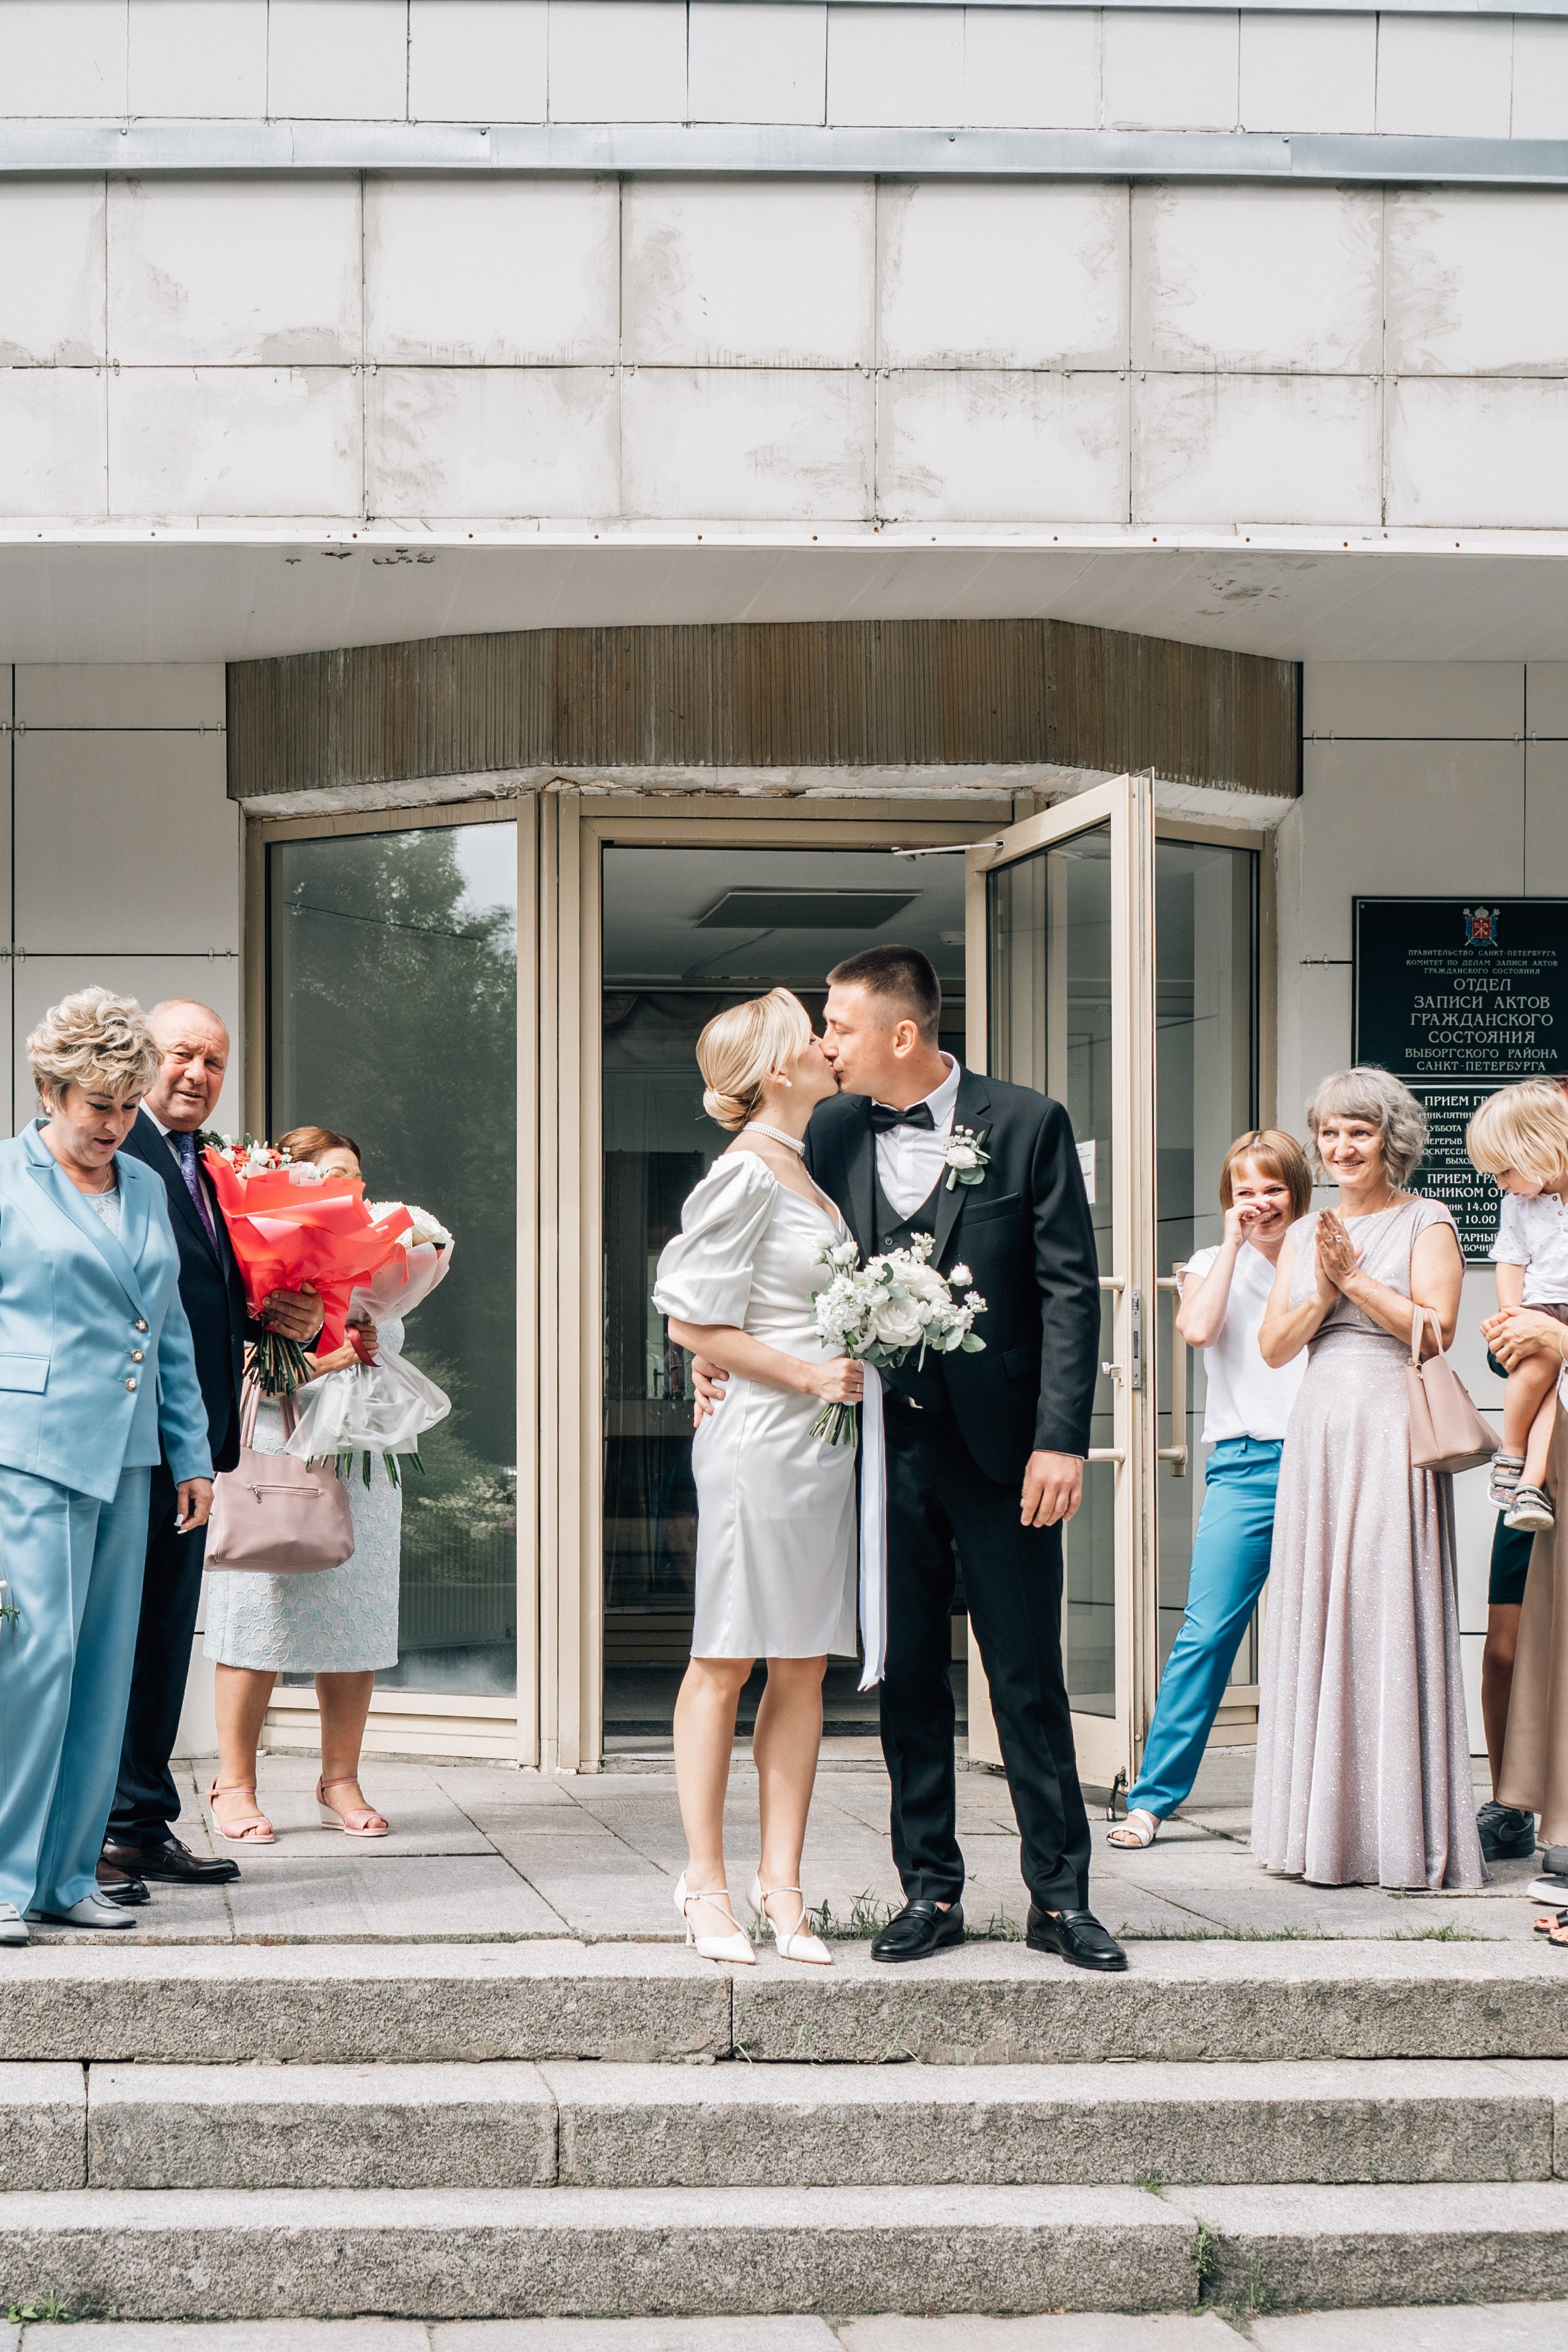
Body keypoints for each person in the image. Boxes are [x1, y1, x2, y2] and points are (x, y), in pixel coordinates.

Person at [705, 946, 1114, 1972]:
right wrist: (719, 1357)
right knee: (909, 1677)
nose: (825, 1043)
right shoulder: (829, 1129)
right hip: (874, 1450)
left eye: (838, 1026)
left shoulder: (1028, 1123)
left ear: (902, 1032)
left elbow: (1070, 1294)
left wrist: (1061, 1438)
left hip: (1005, 1453)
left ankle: (1061, 1900)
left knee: (1026, 1675)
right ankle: (929, 1891)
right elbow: (765, 1265)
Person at [0, 988, 214, 1947]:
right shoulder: (6, 1181)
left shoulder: (145, 1186)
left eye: (129, 1106)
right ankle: (4, 1877)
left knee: (101, 1673)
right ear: (50, 1090)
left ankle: (65, 1877)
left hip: (131, 1461)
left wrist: (191, 1454)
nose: (116, 1125)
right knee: (32, 1663)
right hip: (30, 1453)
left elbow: (167, 1332)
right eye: (98, 1105)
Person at [102, 1000, 325, 1902]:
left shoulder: (213, 1165)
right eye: (181, 1055)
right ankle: (98, 1830)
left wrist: (286, 1316)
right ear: (141, 1059)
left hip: (192, 1442)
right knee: (117, 1639)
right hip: (128, 1439)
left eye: (215, 1062)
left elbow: (213, 1290)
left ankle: (140, 1825)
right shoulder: (115, 1151)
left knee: (161, 1638)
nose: (197, 1073)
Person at [654, 992, 859, 1966]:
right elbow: (690, 1320)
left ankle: (785, 1887)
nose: (827, 1043)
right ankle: (705, 1883)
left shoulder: (805, 1168)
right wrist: (810, 1374)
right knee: (727, 1657)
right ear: (778, 1070)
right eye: (811, 1035)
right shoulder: (743, 1174)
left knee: (804, 1661)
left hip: (820, 1449)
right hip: (760, 1443)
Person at [1254, 1066, 1483, 1892]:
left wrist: (1353, 1281)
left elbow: (1437, 1330)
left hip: (1391, 1424)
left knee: (1385, 1605)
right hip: (1321, 1428)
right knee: (1320, 1609)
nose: (1342, 1146)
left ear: (1392, 1139)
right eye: (1329, 1132)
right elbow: (1274, 1347)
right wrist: (1323, 1287)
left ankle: (1396, 1837)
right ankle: (1320, 1835)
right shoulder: (1307, 1231)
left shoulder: (1428, 1219)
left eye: (1359, 1131)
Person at [1107, 1129, 1312, 1852]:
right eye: (1244, 1190)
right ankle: (1150, 1802)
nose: (1259, 1202)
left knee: (1332, 1634)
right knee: (1206, 1634)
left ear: (1297, 1190)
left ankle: (1333, 1808)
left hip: (1326, 1462)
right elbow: (1196, 1329)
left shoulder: (1325, 1253)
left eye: (1273, 1187)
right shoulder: (1207, 1262)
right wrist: (1230, 1244)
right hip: (1246, 1466)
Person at [202, 1127, 401, 1844]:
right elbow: (244, 1371)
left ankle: (339, 1781)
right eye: (330, 1177)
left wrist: (350, 1333)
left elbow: (384, 1349)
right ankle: (234, 1784)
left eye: (356, 1179)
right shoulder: (247, 1256)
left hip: (354, 1461)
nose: (349, 1192)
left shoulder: (378, 1258)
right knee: (256, 1619)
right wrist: (330, 1350)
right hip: (271, 1460)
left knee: (355, 1625)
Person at [1466, 1080, 1568, 1534]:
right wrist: (1513, 1314)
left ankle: (1528, 1483)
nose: (1500, 1183)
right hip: (1541, 1308)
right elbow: (1510, 1260)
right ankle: (1513, 1453)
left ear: (1539, 1149)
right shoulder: (1518, 1205)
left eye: (1505, 1171)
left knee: (1560, 1393)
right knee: (1536, 1372)